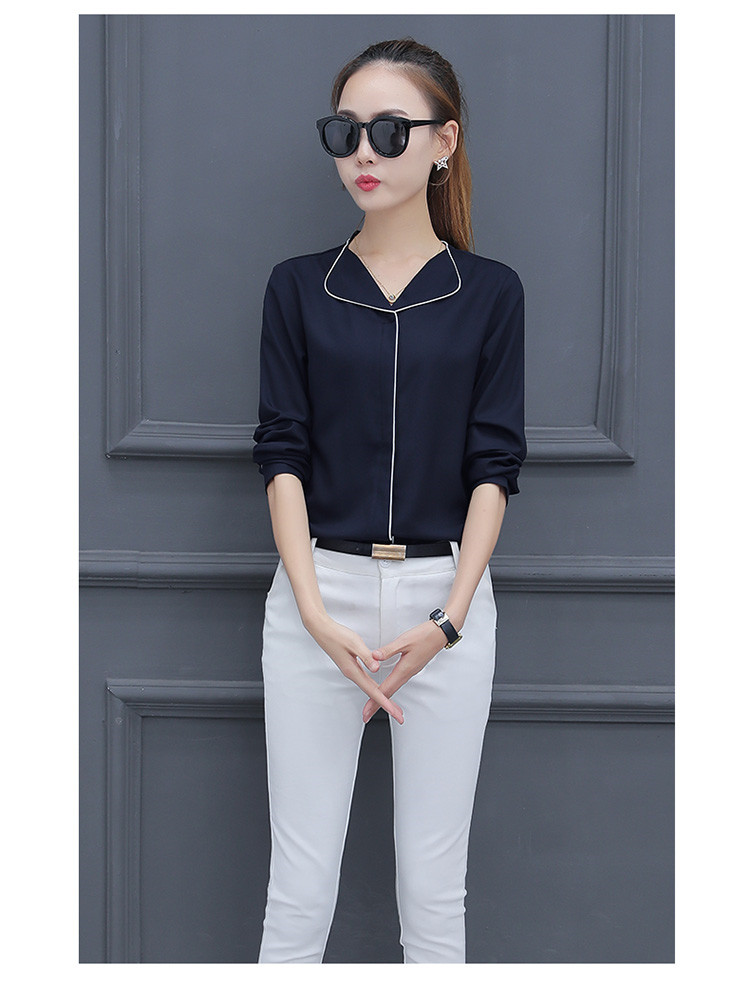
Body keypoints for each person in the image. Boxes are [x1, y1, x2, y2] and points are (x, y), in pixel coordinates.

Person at [251, 37, 526, 964]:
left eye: (389, 130)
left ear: (444, 141)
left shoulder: (490, 294)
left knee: (434, 896)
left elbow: (494, 465)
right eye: (345, 132)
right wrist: (312, 610)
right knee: (298, 892)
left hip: (445, 603)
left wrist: (448, 621)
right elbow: (282, 454)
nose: (362, 152)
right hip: (317, 596)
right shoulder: (299, 287)